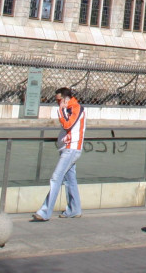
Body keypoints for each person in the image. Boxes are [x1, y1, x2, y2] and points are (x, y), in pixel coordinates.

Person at [33, 88, 85, 220]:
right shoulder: (69, 109)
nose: (57, 103)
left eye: (58, 100)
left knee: (56, 178)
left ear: (66, 99)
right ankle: (75, 209)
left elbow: (68, 125)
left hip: (71, 149)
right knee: (70, 180)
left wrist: (61, 111)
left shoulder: (76, 108)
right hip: (67, 148)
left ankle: (44, 212)